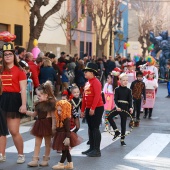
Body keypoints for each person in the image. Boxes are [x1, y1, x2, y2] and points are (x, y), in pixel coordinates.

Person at [0, 43, 27, 163]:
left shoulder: (20, 70)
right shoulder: (0, 69)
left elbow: (23, 90)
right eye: (5, 54)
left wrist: (24, 104)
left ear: (14, 55)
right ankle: (2, 154)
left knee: (14, 131)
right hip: (1, 99)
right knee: (1, 130)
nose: (7, 56)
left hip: (14, 99)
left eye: (10, 54)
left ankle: (21, 155)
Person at [25, 81, 56, 167]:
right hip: (39, 124)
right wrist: (26, 112)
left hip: (47, 124)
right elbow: (34, 114)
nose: (38, 97)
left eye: (39, 95)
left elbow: (53, 117)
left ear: (46, 95)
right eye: (37, 95)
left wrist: (53, 127)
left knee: (47, 143)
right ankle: (35, 159)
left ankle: (46, 159)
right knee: (37, 143)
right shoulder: (38, 104)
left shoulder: (51, 104)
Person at [81, 62, 104, 157]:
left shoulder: (96, 82)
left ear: (93, 73)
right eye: (85, 71)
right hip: (88, 108)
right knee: (90, 128)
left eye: (87, 71)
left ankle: (97, 150)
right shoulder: (87, 83)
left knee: (95, 128)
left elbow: (97, 96)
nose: (85, 73)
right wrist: (82, 110)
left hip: (97, 108)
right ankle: (91, 148)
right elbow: (84, 97)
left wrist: (93, 108)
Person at [52, 100, 82, 170]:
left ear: (66, 110)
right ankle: (70, 163)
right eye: (58, 110)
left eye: (61, 110)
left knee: (65, 150)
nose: (59, 112)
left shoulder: (67, 119)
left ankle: (61, 163)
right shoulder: (60, 117)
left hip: (65, 136)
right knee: (66, 150)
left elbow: (68, 130)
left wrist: (68, 137)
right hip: (60, 135)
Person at [108, 73, 133, 146]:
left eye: (126, 80)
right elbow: (115, 99)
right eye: (123, 80)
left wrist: (131, 107)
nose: (125, 82)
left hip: (125, 107)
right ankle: (116, 131)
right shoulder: (117, 89)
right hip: (118, 106)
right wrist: (117, 107)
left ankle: (122, 140)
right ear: (120, 81)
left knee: (123, 124)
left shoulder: (128, 90)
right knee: (109, 116)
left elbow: (130, 100)